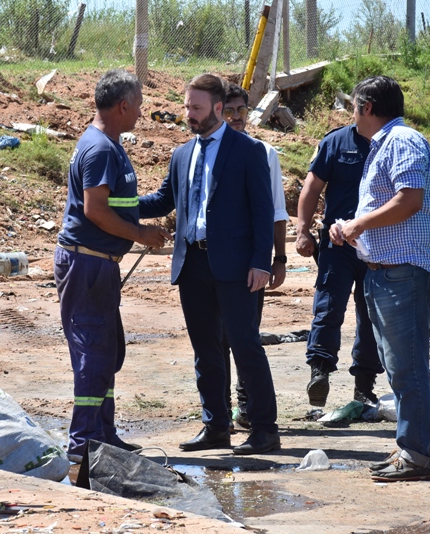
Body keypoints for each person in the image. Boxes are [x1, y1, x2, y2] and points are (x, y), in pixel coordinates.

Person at [140, 74, 280, 455]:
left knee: (245, 345)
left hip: (236, 267)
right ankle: (215, 426)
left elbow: (263, 211)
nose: (189, 115)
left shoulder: (248, 151)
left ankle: (265, 429)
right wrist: (114, 204)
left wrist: (261, 263)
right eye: (187, 107)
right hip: (193, 264)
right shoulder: (182, 154)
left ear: (218, 109)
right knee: (205, 349)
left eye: (197, 108)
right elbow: (162, 200)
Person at [329, 76, 430, 482]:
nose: (351, 115)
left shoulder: (402, 141)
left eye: (354, 106)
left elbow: (409, 199)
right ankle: (408, 449)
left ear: (369, 107)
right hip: (388, 272)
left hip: (403, 273)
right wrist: (353, 227)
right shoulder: (387, 143)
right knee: (398, 368)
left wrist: (358, 224)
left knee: (407, 367)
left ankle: (415, 454)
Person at [54, 69, 171, 463]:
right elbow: (96, 210)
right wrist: (142, 235)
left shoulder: (107, 145)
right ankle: (85, 442)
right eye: (138, 103)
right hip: (88, 264)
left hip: (98, 265)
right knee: (93, 352)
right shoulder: (102, 149)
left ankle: (102, 433)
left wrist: (164, 202)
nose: (140, 111)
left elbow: (121, 206)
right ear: (124, 105)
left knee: (107, 351)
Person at [296, 123, 383, 408]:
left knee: (371, 314)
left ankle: (364, 386)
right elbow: (312, 186)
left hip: (378, 244)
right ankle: (319, 372)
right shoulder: (336, 141)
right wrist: (303, 231)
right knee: (328, 306)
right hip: (338, 244)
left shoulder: (391, 142)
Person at [221, 82, 289, 430]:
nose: (235, 118)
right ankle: (219, 413)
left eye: (241, 111)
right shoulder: (207, 149)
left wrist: (278, 258)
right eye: (229, 111)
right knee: (215, 338)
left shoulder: (263, 153)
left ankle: (248, 408)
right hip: (213, 262)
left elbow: (275, 211)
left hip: (250, 262)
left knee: (245, 336)